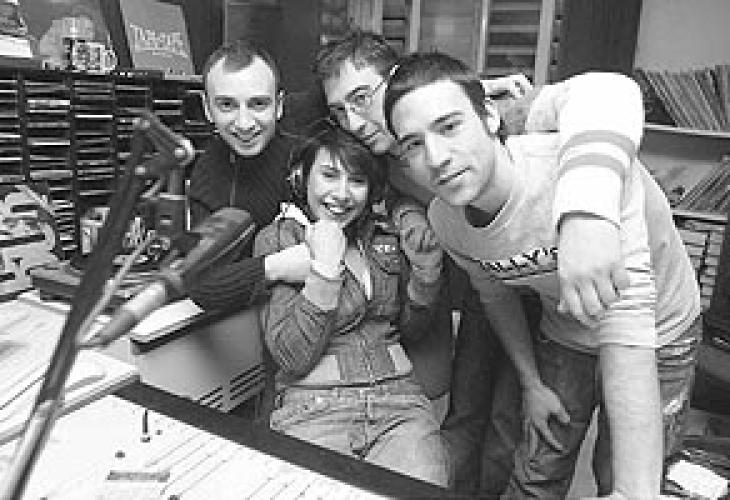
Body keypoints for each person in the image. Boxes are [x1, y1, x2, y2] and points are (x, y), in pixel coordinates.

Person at [312, 29, 659, 496]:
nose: (353, 121)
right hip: (490, 273)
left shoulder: (499, 115)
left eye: (361, 98)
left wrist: (586, 214)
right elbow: (391, 193)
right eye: (339, 111)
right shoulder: (382, 158)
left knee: (517, 423)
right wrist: (406, 210)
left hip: (585, 276)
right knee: (474, 407)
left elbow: (607, 93)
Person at [383, 51, 701, 499]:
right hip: (565, 331)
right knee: (536, 473)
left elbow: (627, 323)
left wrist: (586, 214)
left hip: (658, 330)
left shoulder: (579, 170)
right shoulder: (446, 219)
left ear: (489, 116)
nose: (436, 158)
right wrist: (531, 382)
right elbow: (495, 295)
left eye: (450, 126)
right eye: (413, 145)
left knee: (623, 476)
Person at [253, 122, 450, 486]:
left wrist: (425, 278)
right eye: (329, 175)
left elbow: (411, 332)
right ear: (302, 177)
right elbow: (291, 356)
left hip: (400, 405)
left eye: (356, 181)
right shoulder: (280, 238)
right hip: (313, 409)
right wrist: (325, 271)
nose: (342, 194)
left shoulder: (383, 237)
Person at [184, 39, 310, 312]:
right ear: (207, 108)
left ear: (279, 106)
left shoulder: (310, 160)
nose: (244, 123)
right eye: (227, 105)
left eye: (258, 104)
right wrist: (277, 267)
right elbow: (200, 282)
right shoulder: (207, 174)